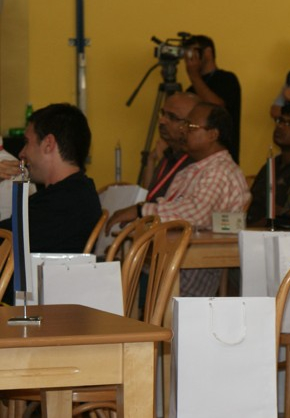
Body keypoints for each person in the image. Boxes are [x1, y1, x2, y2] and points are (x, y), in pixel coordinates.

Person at [107, 103, 250, 297]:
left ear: (212, 135)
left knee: (111, 287)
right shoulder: (194, 169)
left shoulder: (220, 171)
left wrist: (141, 211)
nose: (183, 130)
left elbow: (196, 214)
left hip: (188, 273)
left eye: (190, 127)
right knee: (111, 277)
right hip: (168, 263)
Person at [0, 103, 102, 253]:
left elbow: (4, 242)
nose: (21, 153)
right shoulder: (78, 192)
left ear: (48, 144)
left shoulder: (62, 204)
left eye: (27, 142)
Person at [247, 103, 290, 226]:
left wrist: (251, 228)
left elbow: (286, 215)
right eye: (280, 121)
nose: (281, 127)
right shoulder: (273, 163)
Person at [183, 35, 242, 162]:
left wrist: (193, 75)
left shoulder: (227, 79)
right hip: (195, 160)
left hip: (222, 160)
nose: (189, 58)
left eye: (193, 52)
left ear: (208, 52)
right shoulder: (191, 89)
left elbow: (217, 108)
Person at [141, 92, 199, 201]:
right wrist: (151, 161)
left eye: (172, 117)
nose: (162, 121)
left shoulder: (196, 163)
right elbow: (150, 198)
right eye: (163, 113)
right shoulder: (169, 152)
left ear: (191, 124)